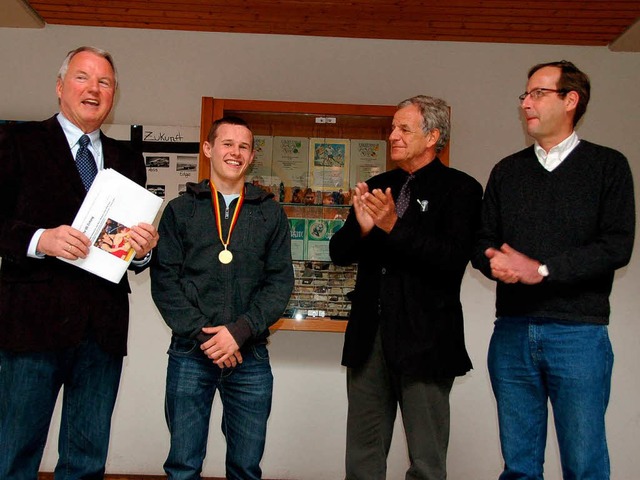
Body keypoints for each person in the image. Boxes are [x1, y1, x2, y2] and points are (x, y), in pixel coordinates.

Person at [0, 46, 159, 479]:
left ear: (114, 95)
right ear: (60, 86)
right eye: (83, 78)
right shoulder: (17, 142)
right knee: (13, 452)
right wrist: (40, 239)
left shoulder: (128, 158)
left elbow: (125, 250)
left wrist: (142, 249)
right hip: (31, 329)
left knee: (87, 458)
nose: (94, 89)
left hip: (101, 331)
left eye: (105, 82)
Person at [472, 60, 635, 479]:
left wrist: (542, 269)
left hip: (578, 334)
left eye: (538, 93)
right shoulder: (507, 171)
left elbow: (616, 246)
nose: (526, 103)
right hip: (510, 333)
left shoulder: (608, 166)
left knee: (583, 465)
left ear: (571, 100)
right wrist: (496, 263)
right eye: (524, 95)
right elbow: (482, 241)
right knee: (520, 466)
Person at [330, 95, 483, 480]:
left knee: (427, 460)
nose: (392, 135)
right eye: (392, 127)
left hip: (427, 338)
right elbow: (339, 253)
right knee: (362, 456)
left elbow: (450, 257)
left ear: (432, 136)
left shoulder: (461, 189)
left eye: (403, 129)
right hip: (370, 337)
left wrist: (393, 227)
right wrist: (363, 228)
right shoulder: (379, 186)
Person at [150, 116, 294, 480]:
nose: (235, 152)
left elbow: (279, 284)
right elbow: (165, 281)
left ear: (251, 156)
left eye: (244, 146)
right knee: (183, 466)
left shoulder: (271, 214)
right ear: (209, 149)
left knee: (246, 468)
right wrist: (205, 335)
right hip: (189, 352)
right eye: (227, 144)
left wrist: (239, 332)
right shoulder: (181, 211)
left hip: (251, 355)